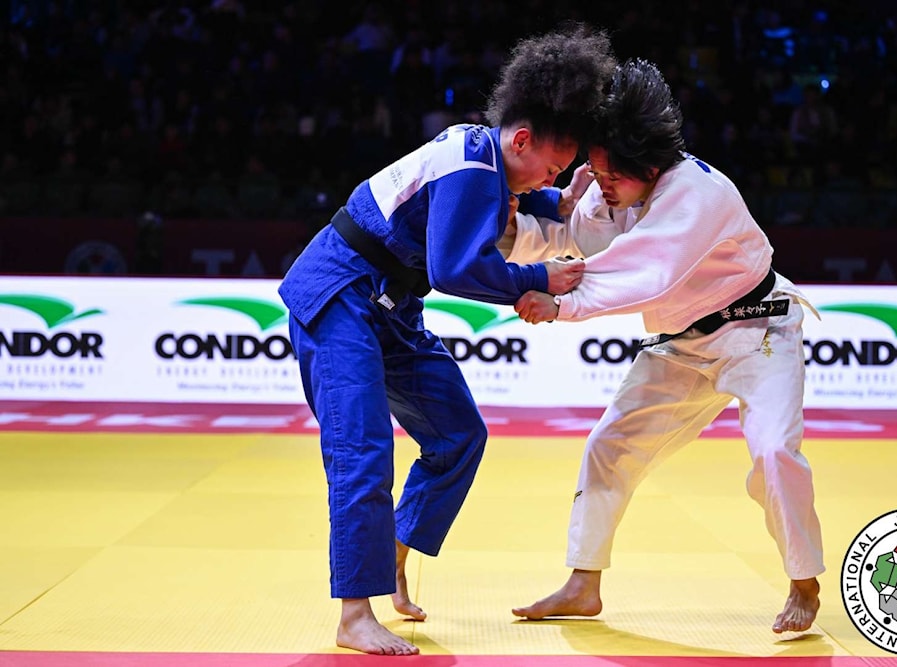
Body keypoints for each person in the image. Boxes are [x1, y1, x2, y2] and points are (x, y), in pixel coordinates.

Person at [277, 23, 616, 656]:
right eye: (553, 162)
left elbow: (523, 201)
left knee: (459, 432)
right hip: (340, 292)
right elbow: (454, 269)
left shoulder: (492, 165)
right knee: (362, 445)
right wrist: (541, 276)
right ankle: (355, 613)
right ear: (521, 138)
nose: (552, 175)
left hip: (392, 305)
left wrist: (561, 199)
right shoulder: (470, 164)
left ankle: (396, 552)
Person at [506, 59, 825, 634]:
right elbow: (576, 241)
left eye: (609, 176)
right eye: (596, 173)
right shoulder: (613, 192)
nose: (600, 186)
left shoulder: (698, 191)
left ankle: (804, 581)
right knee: (610, 446)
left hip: (757, 335)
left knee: (774, 452)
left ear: (648, 166)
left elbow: (648, 269)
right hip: (678, 348)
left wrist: (561, 304)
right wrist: (509, 238)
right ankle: (583, 583)